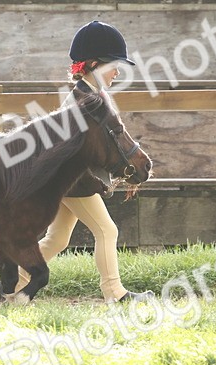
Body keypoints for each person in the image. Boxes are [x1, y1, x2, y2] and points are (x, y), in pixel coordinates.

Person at [13, 21, 154, 305]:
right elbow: (77, 151)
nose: (117, 72)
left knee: (59, 239)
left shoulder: (90, 96)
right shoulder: (83, 101)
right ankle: (116, 294)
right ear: (93, 64)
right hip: (74, 181)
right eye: (113, 65)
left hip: (67, 180)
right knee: (107, 230)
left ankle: (12, 284)